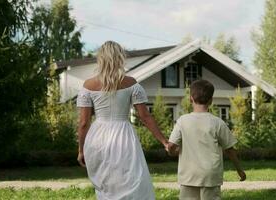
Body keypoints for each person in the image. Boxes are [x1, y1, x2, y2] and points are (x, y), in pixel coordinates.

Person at [76, 41, 168, 200]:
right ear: (120, 58)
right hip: (123, 135)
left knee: (106, 183)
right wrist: (164, 141)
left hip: (97, 137)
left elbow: (84, 123)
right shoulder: (131, 83)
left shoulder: (88, 85)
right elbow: (145, 116)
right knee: (129, 180)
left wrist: (81, 150)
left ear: (101, 59)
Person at [167, 79, 246, 200]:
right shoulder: (217, 123)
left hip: (189, 174)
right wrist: (240, 170)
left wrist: (172, 151)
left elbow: (171, 145)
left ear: (190, 99)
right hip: (210, 176)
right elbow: (230, 149)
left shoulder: (182, 121)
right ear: (211, 101)